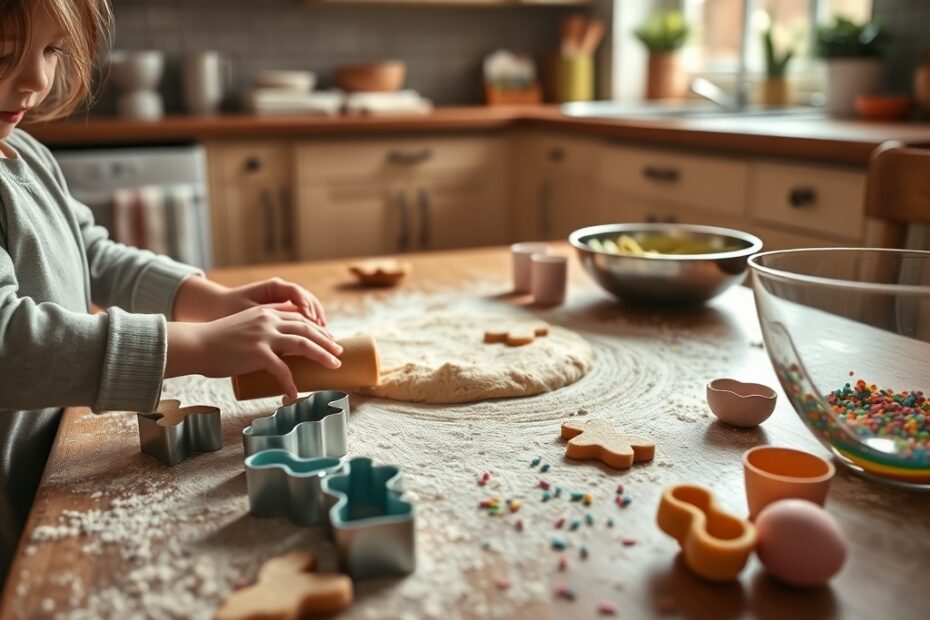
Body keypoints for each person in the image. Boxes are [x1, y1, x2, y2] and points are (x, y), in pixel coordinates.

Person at [0, 0, 342, 585]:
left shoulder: (25, 152)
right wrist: (199, 345)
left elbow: (93, 254)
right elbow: (11, 346)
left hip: (54, 465)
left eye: (52, 51)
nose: (37, 78)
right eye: (5, 54)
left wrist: (209, 300)